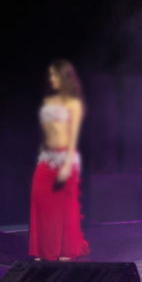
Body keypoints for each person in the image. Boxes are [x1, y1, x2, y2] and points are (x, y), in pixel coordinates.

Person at [29, 59, 90, 261]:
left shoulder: (74, 103)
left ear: (64, 77)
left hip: (65, 158)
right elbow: (45, 132)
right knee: (40, 201)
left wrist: (67, 164)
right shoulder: (48, 101)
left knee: (65, 207)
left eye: (55, 75)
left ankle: (66, 249)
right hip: (46, 159)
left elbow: (73, 136)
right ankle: (42, 249)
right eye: (50, 75)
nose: (51, 78)